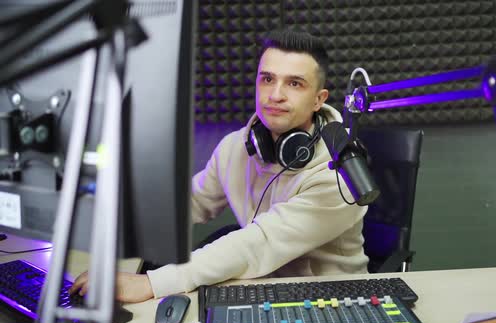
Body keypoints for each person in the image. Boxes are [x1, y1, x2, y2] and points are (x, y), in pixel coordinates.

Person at [69, 29, 369, 303]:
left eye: (294, 83)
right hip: (259, 287)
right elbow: (191, 202)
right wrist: (110, 220)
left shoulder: (340, 174)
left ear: (319, 100)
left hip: (332, 300)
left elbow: (259, 242)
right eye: (267, 78)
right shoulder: (236, 147)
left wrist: (151, 283)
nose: (275, 94)